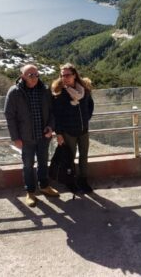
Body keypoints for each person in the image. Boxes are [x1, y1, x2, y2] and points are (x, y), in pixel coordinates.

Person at [4, 64, 60, 207]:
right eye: (31, 75)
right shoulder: (14, 92)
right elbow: (9, 116)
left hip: (43, 136)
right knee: (28, 165)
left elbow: (53, 111)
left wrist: (50, 127)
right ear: (22, 76)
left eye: (36, 75)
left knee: (43, 163)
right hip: (25, 138)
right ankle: (30, 192)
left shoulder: (45, 90)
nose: (34, 78)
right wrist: (15, 138)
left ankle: (44, 186)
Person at [51, 63, 94, 193]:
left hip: (83, 130)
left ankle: (83, 180)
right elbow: (56, 115)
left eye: (68, 75)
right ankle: (70, 181)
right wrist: (58, 133)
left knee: (84, 156)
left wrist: (85, 119)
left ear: (74, 75)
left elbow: (90, 105)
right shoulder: (59, 93)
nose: (65, 78)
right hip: (68, 132)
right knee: (69, 158)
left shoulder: (84, 89)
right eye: (63, 75)